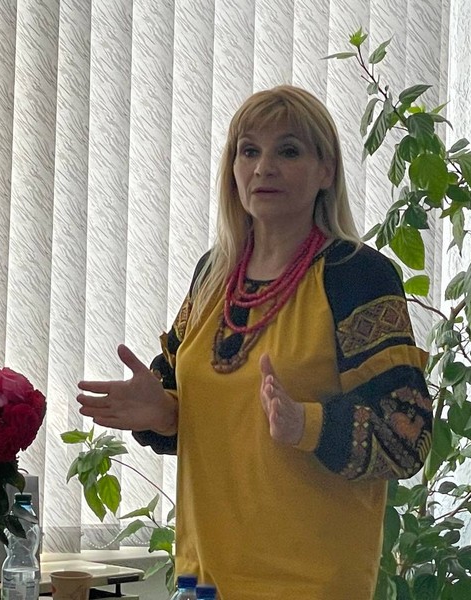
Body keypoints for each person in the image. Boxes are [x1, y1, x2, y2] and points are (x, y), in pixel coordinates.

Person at [76, 85, 432, 599]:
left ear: (326, 171)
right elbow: (191, 407)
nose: (264, 167)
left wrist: (306, 424)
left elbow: (407, 436)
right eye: (249, 151)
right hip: (203, 578)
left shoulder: (357, 275)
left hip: (311, 585)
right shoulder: (213, 274)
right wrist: (162, 412)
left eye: (288, 151)